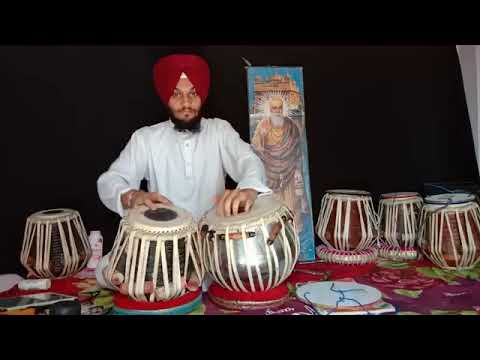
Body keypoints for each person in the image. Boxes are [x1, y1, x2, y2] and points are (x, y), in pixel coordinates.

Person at [95, 54, 271, 290]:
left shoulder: (219, 131)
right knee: (105, 267)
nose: (186, 102)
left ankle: (167, 284)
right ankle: (163, 281)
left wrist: (248, 189)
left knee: (249, 265)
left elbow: (248, 161)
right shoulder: (146, 138)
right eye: (177, 94)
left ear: (203, 95)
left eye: (193, 93)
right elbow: (110, 181)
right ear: (165, 96)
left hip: (212, 246)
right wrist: (134, 196)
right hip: (161, 249)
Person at [251, 96, 306, 232]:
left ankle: (294, 236)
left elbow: (298, 151)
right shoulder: (262, 126)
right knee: (272, 209)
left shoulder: (291, 126)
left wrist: (298, 169)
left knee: (292, 205)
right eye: (273, 108)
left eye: (279, 108)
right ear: (269, 109)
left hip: (290, 172)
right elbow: (255, 149)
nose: (277, 111)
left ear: (284, 109)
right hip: (270, 174)